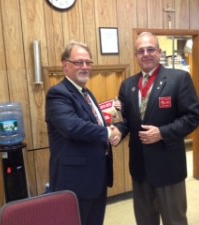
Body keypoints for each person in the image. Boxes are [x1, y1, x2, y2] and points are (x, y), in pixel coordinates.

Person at [115, 32, 199, 225]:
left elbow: (193, 117)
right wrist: (119, 130)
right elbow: (127, 120)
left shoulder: (179, 79)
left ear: (159, 52)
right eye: (141, 51)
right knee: (145, 220)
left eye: (150, 49)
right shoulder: (127, 85)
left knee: (174, 220)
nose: (146, 54)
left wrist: (162, 133)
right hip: (140, 168)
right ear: (136, 55)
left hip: (168, 166)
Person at [45, 41, 120, 225]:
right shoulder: (58, 94)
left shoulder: (86, 93)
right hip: (75, 182)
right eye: (79, 62)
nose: (85, 67)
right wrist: (106, 133)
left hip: (96, 178)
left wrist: (110, 123)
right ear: (65, 65)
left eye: (88, 62)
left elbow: (90, 122)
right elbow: (72, 126)